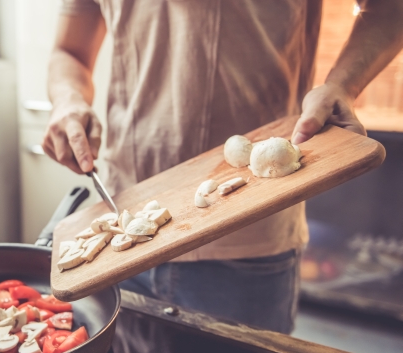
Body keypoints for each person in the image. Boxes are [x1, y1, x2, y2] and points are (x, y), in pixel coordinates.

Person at [44, 0, 403, 333]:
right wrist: (67, 100)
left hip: (248, 238)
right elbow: (68, 51)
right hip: (123, 219)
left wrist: (343, 85)